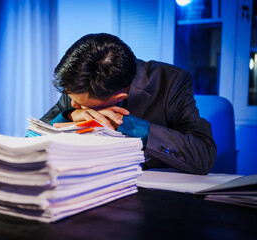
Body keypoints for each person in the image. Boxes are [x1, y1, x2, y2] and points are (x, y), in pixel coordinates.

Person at [40, 33, 216, 175]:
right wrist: (70, 115)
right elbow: (34, 134)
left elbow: (203, 155)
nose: (73, 104)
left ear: (119, 97)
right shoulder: (78, 85)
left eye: (81, 105)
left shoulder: (172, 83)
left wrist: (131, 126)